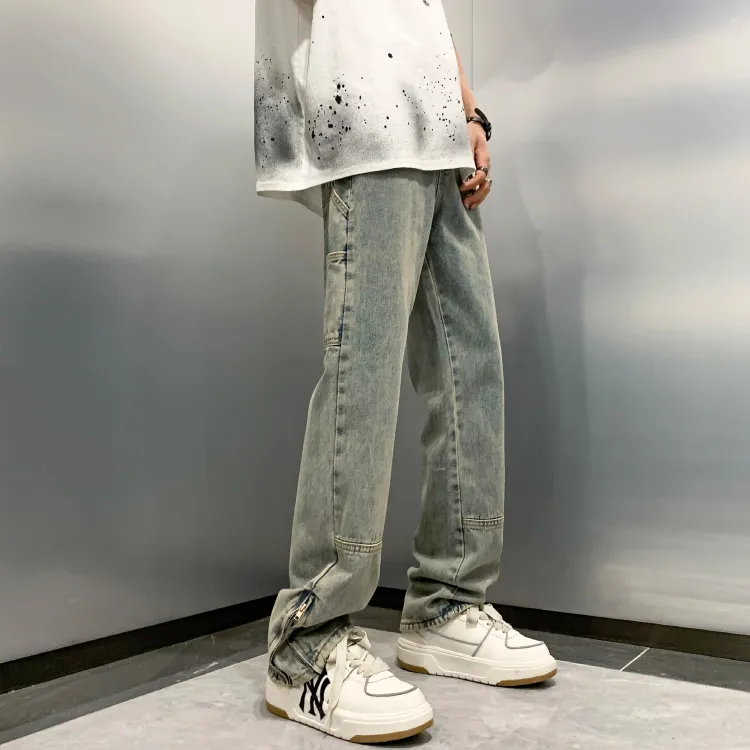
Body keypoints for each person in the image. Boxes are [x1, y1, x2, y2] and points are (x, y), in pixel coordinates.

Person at [254, 1, 556, 743]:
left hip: (437, 129)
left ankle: (447, 603)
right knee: (364, 366)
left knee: (469, 366)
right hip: (364, 114)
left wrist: (469, 112)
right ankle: (306, 642)